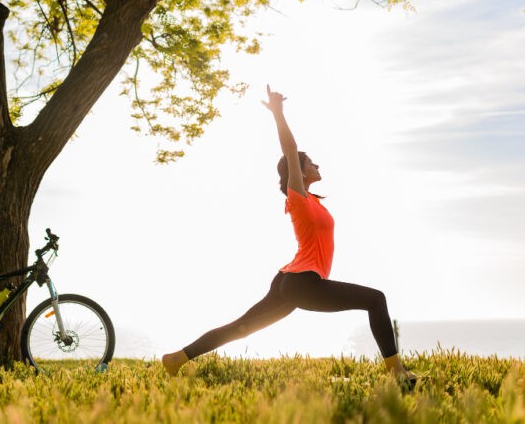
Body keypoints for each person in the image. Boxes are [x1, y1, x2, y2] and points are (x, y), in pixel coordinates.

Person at [162, 85, 416, 383]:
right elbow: (290, 151)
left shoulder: (313, 201)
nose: (317, 164)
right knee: (376, 300)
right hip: (301, 282)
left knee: (242, 326)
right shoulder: (297, 198)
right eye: (312, 163)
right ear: (300, 171)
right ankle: (396, 372)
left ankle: (176, 359)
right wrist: (278, 114)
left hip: (290, 280)